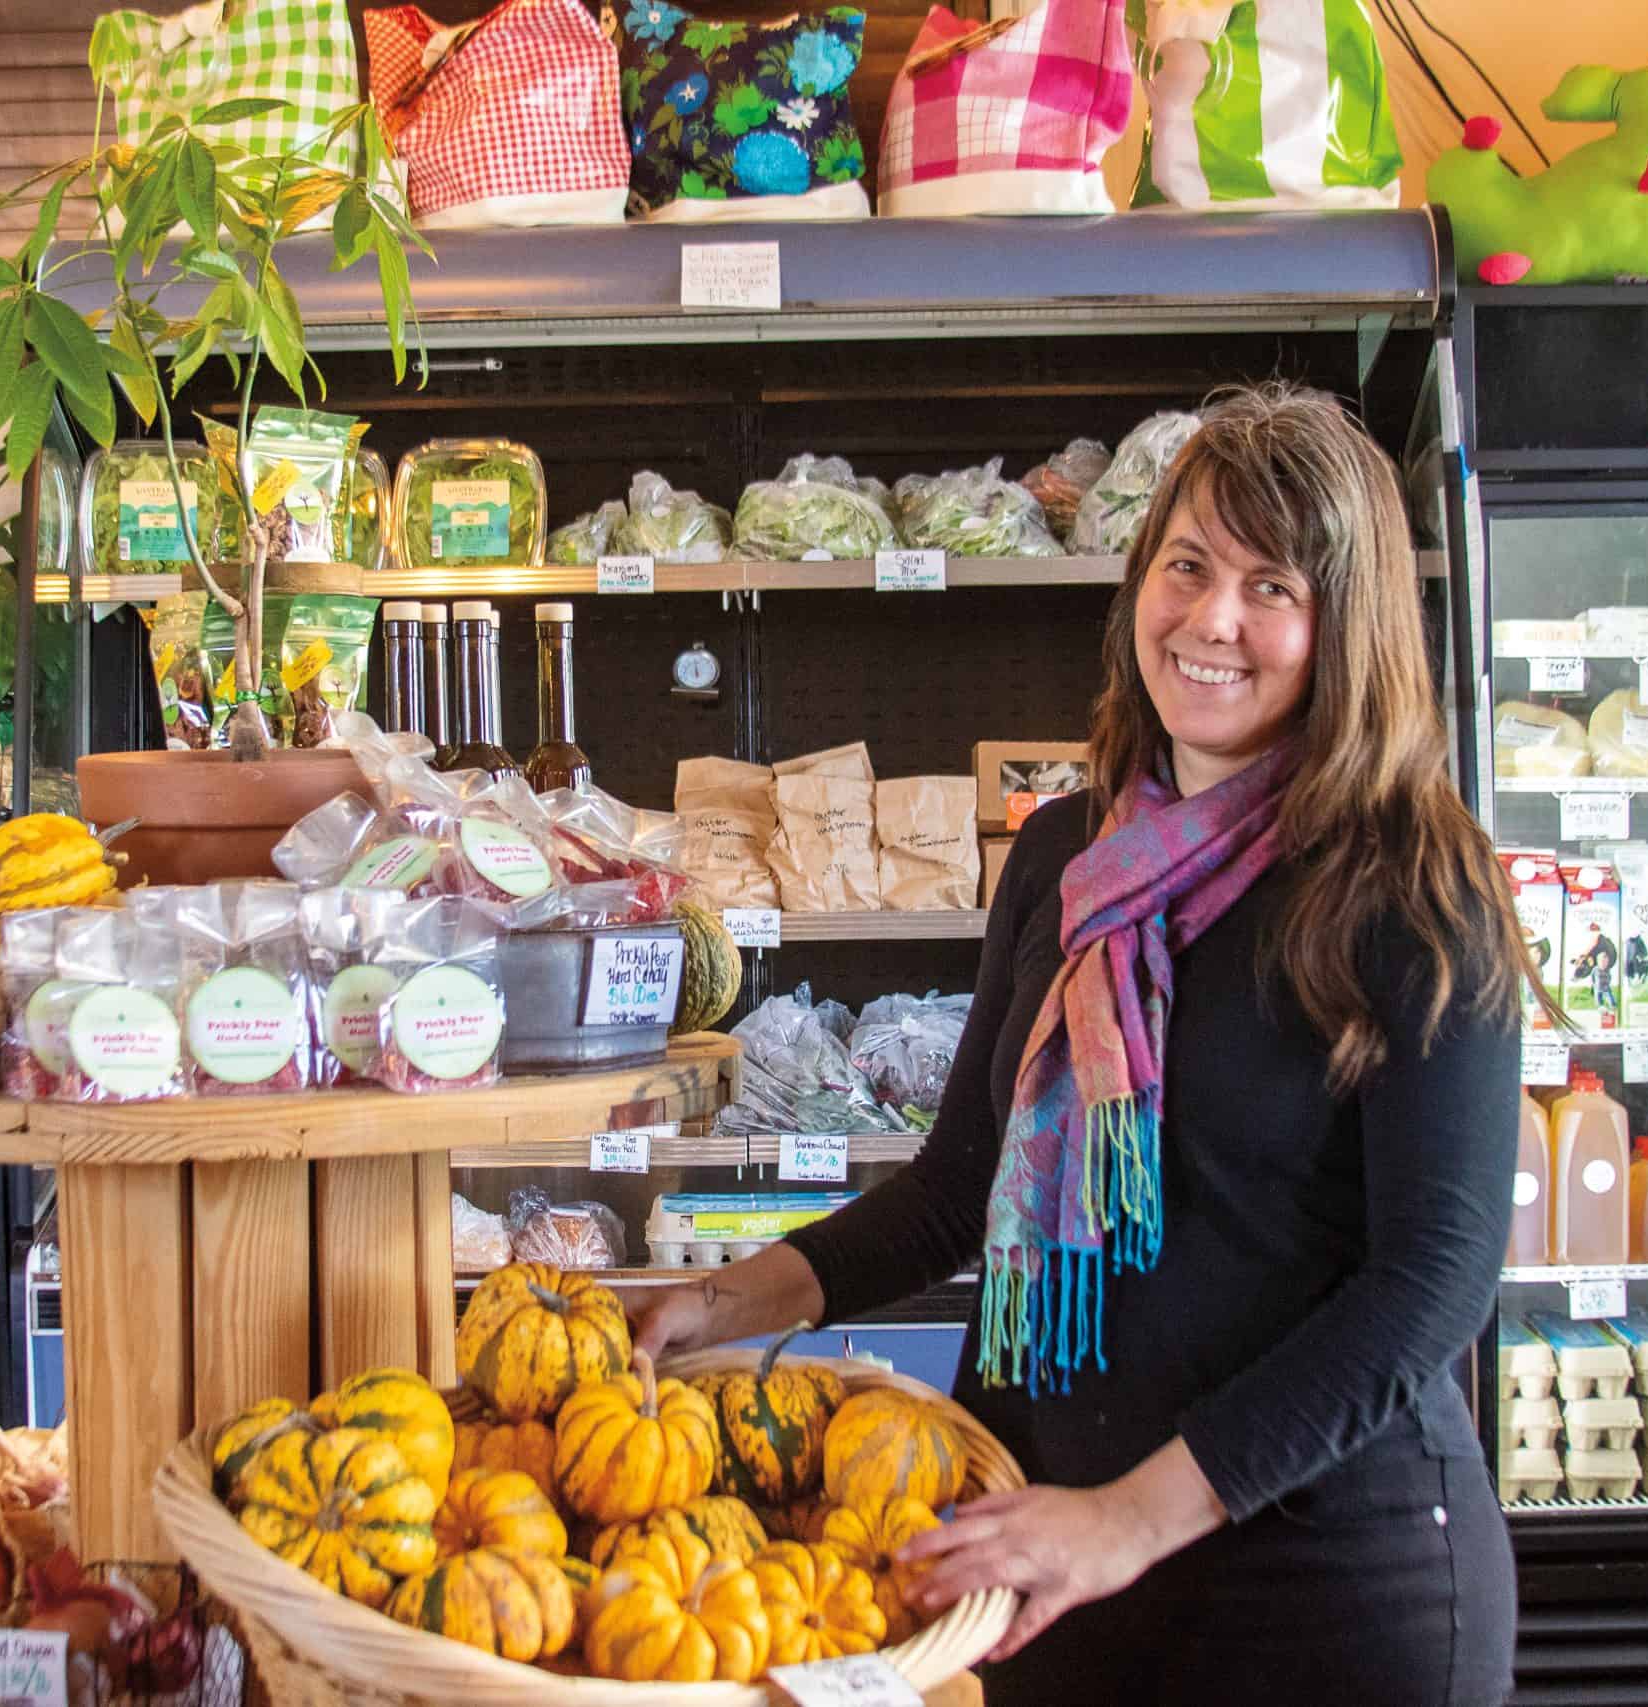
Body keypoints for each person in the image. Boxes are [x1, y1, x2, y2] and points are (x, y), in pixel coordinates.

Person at [630, 384, 1528, 1705]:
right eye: (1188, 566)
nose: (1212, 620)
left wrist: (1128, 1519)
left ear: (1348, 625)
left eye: (1272, 585)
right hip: (1059, 1565)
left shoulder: (1410, 883)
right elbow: (959, 1188)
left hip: (1330, 1587)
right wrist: (723, 1301)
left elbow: (1432, 1288)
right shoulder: (1069, 856)